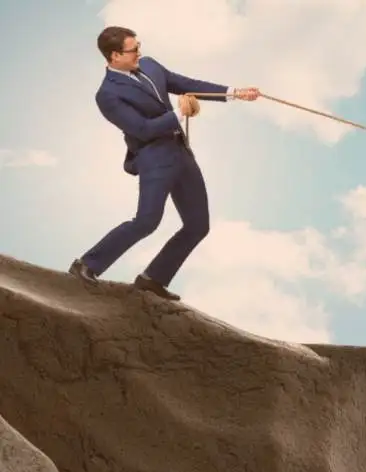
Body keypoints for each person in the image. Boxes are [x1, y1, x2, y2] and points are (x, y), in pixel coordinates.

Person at [68, 25, 260, 301]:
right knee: (147, 221)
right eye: (132, 49)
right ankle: (87, 264)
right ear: (114, 56)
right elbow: (142, 129)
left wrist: (233, 92)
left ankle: (153, 278)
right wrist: (179, 114)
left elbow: (183, 83)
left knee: (197, 225)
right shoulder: (107, 95)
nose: (139, 53)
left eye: (138, 46)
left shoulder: (149, 65)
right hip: (153, 157)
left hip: (180, 152)